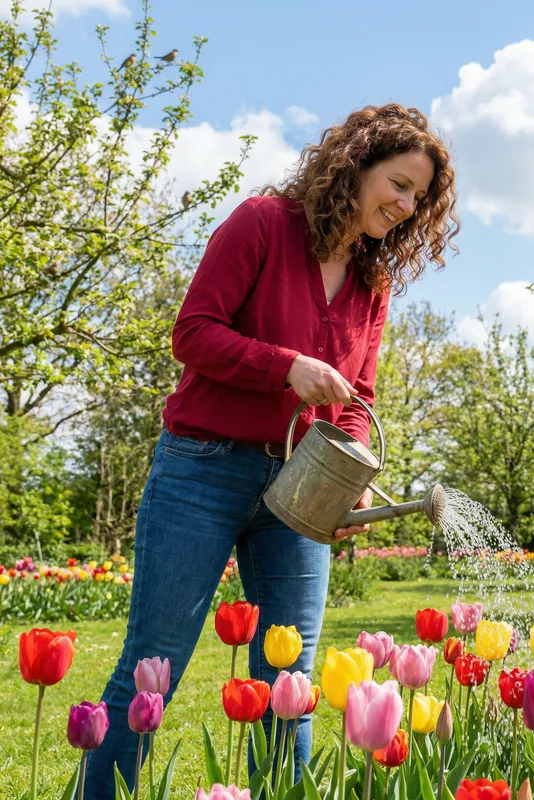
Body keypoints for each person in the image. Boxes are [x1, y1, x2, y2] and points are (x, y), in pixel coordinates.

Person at [84, 103, 459, 797]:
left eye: (419, 198)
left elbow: (357, 399)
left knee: (290, 680)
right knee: (152, 665)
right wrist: (284, 365)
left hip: (299, 492)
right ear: (357, 166)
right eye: (399, 185)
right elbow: (192, 333)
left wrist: (349, 469)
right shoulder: (262, 223)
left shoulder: (371, 284)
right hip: (202, 467)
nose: (407, 206)